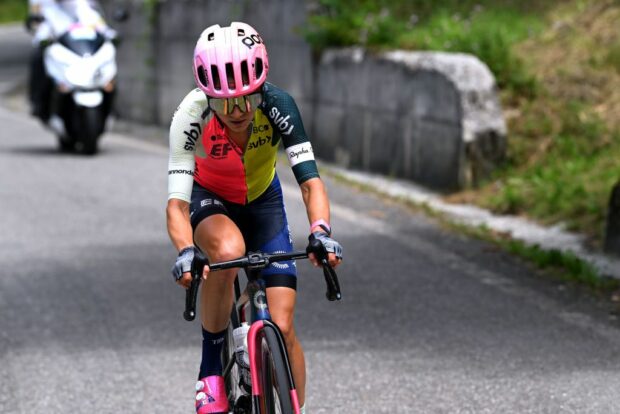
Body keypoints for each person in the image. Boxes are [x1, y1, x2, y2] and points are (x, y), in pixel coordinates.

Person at [166, 22, 343, 414]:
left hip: (264, 203)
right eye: (225, 103)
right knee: (228, 250)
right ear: (207, 96)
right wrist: (184, 250)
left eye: (247, 97)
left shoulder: (279, 105)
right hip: (210, 200)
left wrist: (320, 231)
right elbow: (176, 205)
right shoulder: (190, 115)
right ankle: (211, 367)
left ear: (260, 86)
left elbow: (311, 183)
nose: (239, 111)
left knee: (282, 326)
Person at [26, 0, 116, 119]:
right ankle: (38, 101)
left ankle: (112, 107)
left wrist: (110, 33)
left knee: (107, 68)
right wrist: (42, 38)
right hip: (57, 47)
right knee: (38, 58)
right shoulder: (44, 4)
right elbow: (38, 25)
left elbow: (97, 21)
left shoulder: (81, 4)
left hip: (82, 49)